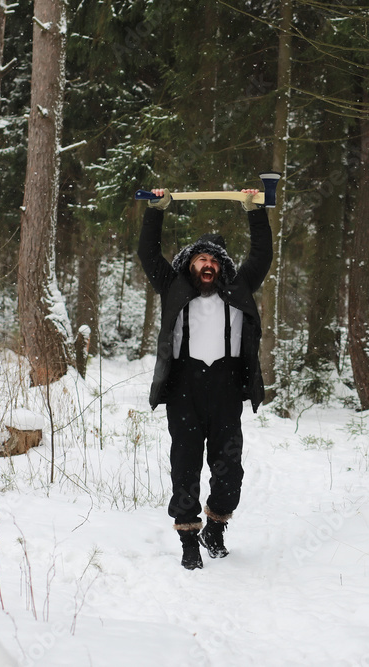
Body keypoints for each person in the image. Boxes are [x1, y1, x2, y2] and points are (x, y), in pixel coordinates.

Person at [137, 186, 272, 570]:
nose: (207, 264)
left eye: (213, 259)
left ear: (221, 266)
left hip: (227, 387)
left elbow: (261, 255)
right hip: (184, 387)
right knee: (186, 464)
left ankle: (215, 526)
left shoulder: (239, 287)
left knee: (229, 470)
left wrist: (255, 211)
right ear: (189, 264)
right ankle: (188, 539)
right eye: (200, 259)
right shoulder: (173, 286)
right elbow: (148, 253)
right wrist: (155, 211)